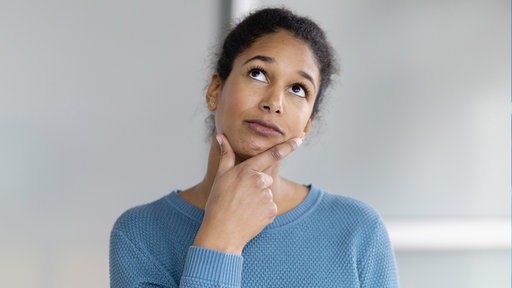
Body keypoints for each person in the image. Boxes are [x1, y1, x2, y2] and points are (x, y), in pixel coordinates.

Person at [109, 7, 399, 288]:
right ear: (214, 90)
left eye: (298, 89)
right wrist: (221, 234)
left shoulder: (358, 231)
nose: (275, 102)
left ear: (307, 124)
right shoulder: (139, 233)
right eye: (258, 73)